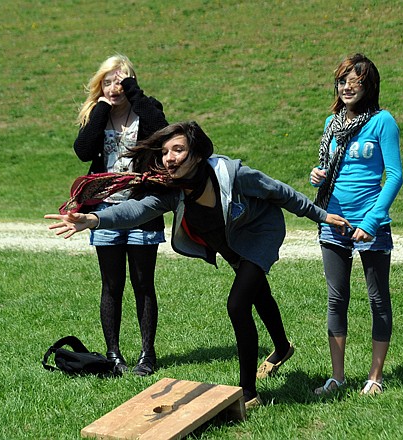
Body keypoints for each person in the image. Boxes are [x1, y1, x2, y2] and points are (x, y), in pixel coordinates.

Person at [46, 121, 351, 409]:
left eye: (177, 149)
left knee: (238, 303)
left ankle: (248, 393)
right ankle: (282, 347)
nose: (169, 158)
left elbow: (279, 192)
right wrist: (92, 219)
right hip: (228, 242)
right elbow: (136, 210)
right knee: (257, 293)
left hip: (259, 234)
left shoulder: (233, 174)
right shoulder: (174, 190)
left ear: (197, 152)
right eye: (164, 152)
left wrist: (321, 216)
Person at [309, 54, 403, 396]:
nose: (347, 87)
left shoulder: (382, 122)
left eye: (355, 81)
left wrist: (373, 220)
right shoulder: (330, 123)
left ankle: (374, 377)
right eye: (342, 81)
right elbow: (327, 172)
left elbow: (394, 175)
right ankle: (337, 377)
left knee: (378, 299)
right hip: (332, 220)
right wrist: (315, 176)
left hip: (370, 222)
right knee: (337, 299)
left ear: (369, 86)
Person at [72, 54, 169, 376]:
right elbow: (83, 151)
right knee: (111, 285)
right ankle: (113, 354)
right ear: (100, 85)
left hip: (141, 209)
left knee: (144, 283)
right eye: (109, 81)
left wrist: (136, 95)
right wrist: (101, 108)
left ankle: (147, 354)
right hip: (103, 210)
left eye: (122, 81)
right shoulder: (96, 113)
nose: (115, 87)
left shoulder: (147, 108)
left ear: (133, 83)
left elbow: (164, 135)